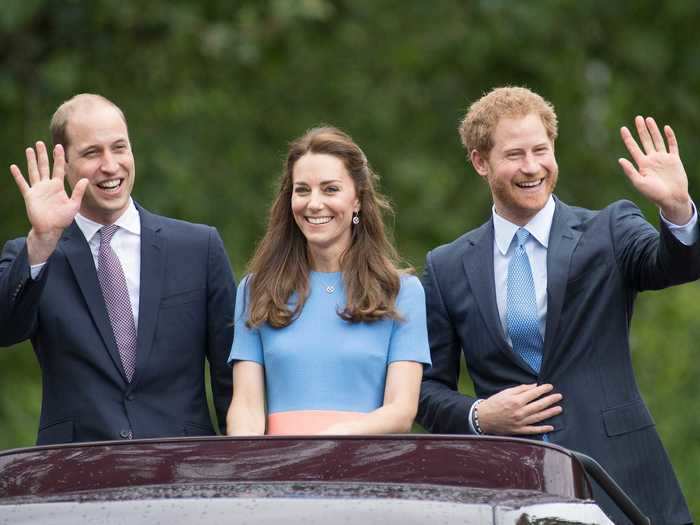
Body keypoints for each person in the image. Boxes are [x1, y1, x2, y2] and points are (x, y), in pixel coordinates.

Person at [417, 86, 697, 524]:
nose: (531, 167)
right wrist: (478, 413)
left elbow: (674, 266)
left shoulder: (610, 230)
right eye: (514, 155)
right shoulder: (447, 265)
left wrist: (678, 208)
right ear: (479, 161)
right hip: (506, 493)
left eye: (540, 150)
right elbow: (426, 390)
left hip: (620, 482)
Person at [0, 94, 236, 445]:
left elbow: (231, 380)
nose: (110, 165)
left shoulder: (199, 248)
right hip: (76, 476)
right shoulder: (33, 254)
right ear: (63, 163)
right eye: (92, 153)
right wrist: (42, 240)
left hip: (185, 474)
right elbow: (5, 329)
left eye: (119, 148)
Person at [226, 126, 430, 436]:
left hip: (365, 471)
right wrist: (250, 464)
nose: (314, 203)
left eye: (330, 189)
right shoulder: (256, 290)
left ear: (358, 200)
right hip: (278, 473)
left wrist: (328, 444)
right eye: (303, 189)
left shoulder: (402, 293)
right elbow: (246, 405)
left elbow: (401, 411)